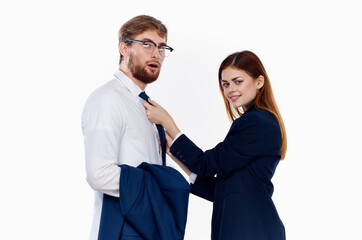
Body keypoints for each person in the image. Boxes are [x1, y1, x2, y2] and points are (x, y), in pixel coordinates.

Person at [143, 50, 287, 240]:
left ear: (259, 82)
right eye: (225, 84)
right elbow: (225, 190)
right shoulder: (258, 121)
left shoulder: (257, 122)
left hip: (251, 229)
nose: (230, 90)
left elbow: (208, 164)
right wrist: (176, 155)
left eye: (238, 81)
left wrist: (169, 124)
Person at [81, 15, 193, 240]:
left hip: (149, 229)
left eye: (162, 47)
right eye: (147, 44)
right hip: (121, 229)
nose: (156, 54)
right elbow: (99, 175)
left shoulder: (147, 106)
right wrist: (159, 188)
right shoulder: (107, 99)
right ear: (124, 48)